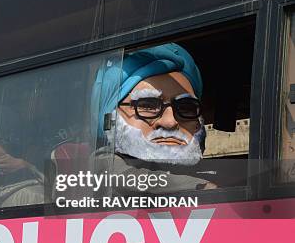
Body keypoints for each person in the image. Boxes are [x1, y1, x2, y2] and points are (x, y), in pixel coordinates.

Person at [91, 42, 216, 194]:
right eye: (148, 106)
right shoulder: (101, 162)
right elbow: (128, 178)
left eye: (185, 108)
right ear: (110, 118)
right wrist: (201, 187)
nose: (170, 122)